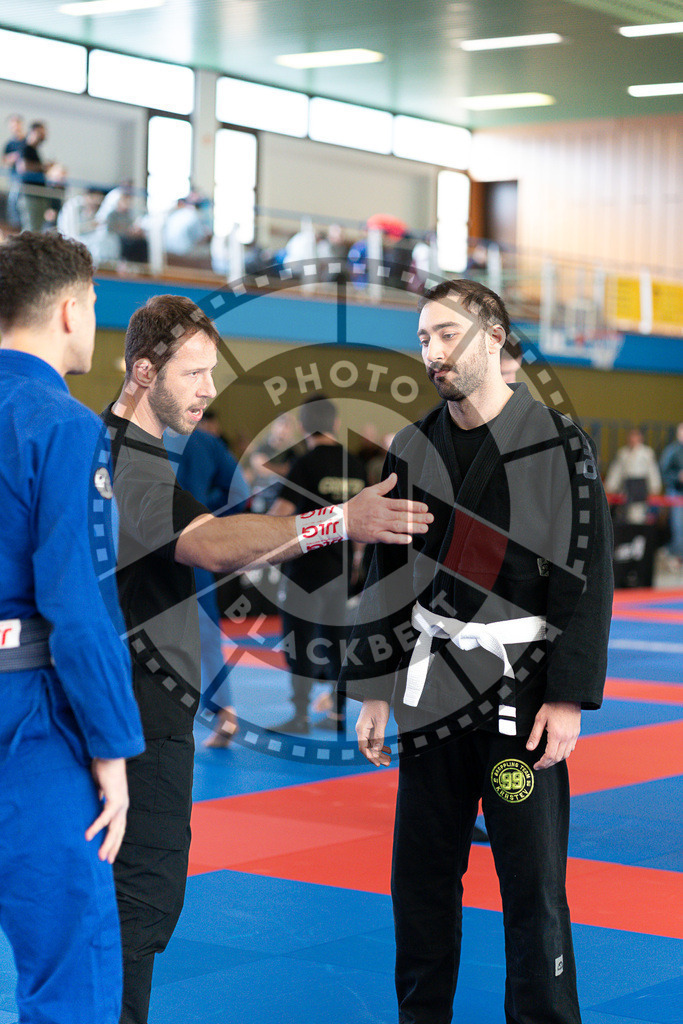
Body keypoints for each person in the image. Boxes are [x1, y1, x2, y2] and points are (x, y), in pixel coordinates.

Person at [102, 293, 432, 1024]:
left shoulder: (123, 449)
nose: (208, 389)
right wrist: (338, 521)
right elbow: (208, 543)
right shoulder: (126, 459)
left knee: (125, 907)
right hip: (136, 719)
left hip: (133, 706)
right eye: (193, 373)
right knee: (138, 905)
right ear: (144, 370)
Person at [340, 278, 614, 1024]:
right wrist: (374, 687)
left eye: (447, 335)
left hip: (518, 695)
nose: (433, 352)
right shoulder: (414, 444)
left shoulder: (558, 444)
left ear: (493, 337)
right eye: (423, 339)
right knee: (420, 879)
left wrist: (567, 696)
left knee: (531, 883)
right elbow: (387, 570)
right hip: (433, 694)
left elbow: (586, 577)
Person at [0, 231, 145, 1024]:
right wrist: (111, 748)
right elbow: (79, 607)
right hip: (25, 717)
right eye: (94, 306)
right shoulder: (59, 422)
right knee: (68, 965)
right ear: (68, 310)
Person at [268, 394, 367, 734]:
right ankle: (338, 714)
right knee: (336, 641)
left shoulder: (305, 464)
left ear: (303, 426)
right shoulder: (355, 464)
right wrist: (356, 561)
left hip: (305, 570)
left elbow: (281, 512)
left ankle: (300, 715)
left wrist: (254, 537)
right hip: (340, 569)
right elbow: (363, 521)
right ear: (335, 424)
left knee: (300, 642)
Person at [165, 410, 250, 747]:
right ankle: (225, 712)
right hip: (197, 544)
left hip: (151, 548)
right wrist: (207, 514)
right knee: (207, 634)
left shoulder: (142, 438)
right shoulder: (207, 443)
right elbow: (240, 491)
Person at [604, 426, 662, 523]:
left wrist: (655, 487)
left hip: (640, 487)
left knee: (638, 514)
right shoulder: (623, 453)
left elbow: (652, 471)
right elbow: (616, 470)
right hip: (626, 488)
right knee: (624, 514)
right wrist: (610, 486)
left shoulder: (647, 453)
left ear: (640, 438)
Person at [17, 121, 51, 232]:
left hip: (38, 193)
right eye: (40, 133)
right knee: (30, 227)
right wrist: (43, 167)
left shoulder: (34, 150)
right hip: (30, 193)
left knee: (37, 227)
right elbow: (24, 167)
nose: (42, 136)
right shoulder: (25, 148)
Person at [659, 422, 683, 567]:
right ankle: (677, 555)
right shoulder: (672, 451)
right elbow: (664, 472)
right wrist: (677, 477)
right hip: (676, 493)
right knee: (678, 525)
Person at [2, 113, 25, 227]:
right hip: (15, 179)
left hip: (27, 180)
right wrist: (12, 158)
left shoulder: (27, 142)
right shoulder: (10, 144)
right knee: (14, 203)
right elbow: (4, 160)